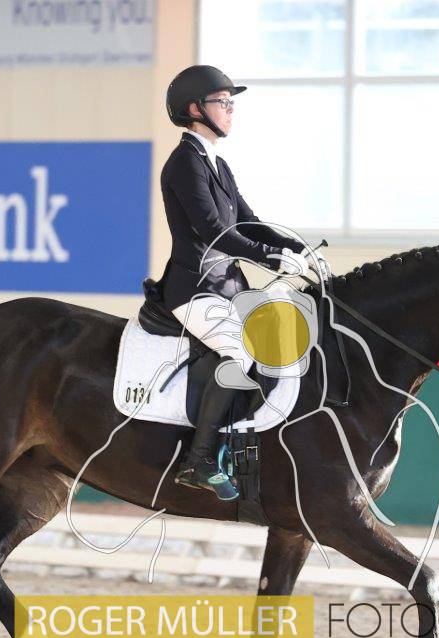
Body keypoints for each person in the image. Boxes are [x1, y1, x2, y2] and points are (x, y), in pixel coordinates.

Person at [158, 65, 315, 501]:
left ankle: (242, 441)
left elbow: (247, 221)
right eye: (222, 103)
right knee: (239, 351)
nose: (231, 110)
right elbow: (213, 229)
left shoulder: (218, 165)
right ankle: (199, 460)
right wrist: (268, 256)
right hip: (195, 289)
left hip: (228, 287)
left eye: (231, 104)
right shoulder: (184, 163)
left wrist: (294, 246)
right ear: (195, 110)